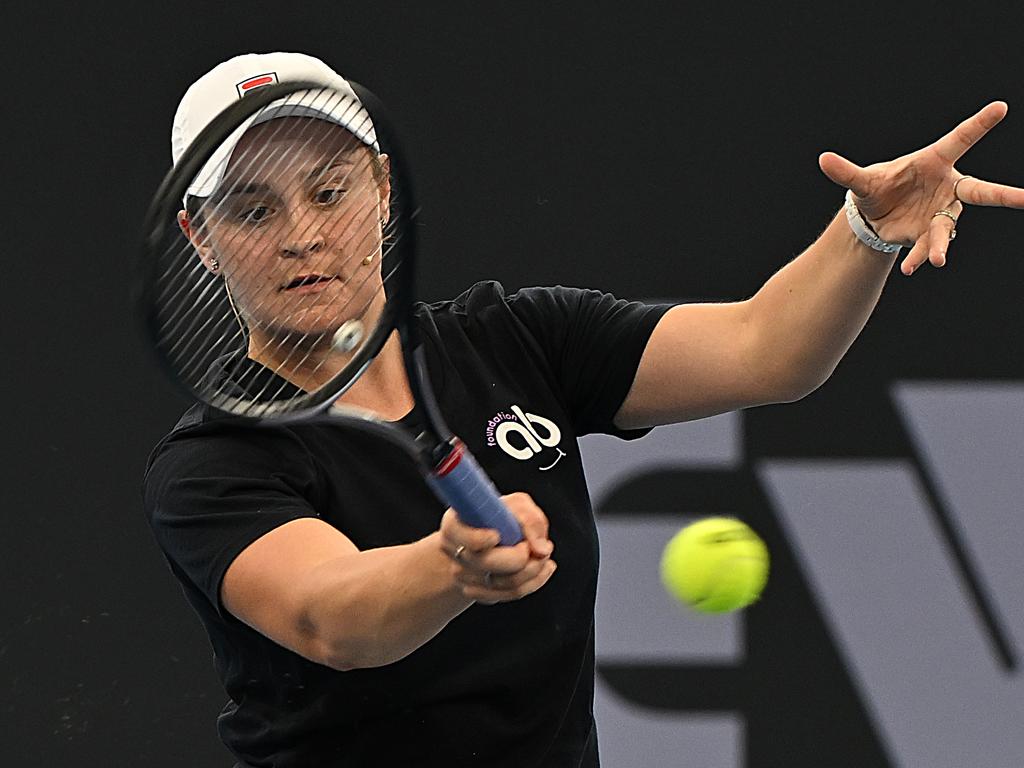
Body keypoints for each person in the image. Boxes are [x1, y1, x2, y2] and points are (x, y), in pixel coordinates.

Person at [143, 51, 1024, 768]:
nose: (301, 233)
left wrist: (864, 231)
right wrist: (448, 567)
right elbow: (329, 618)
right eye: (252, 209)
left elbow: (768, 350)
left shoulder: (518, 338)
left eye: (329, 192)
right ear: (202, 239)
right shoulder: (216, 462)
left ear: (379, 187)